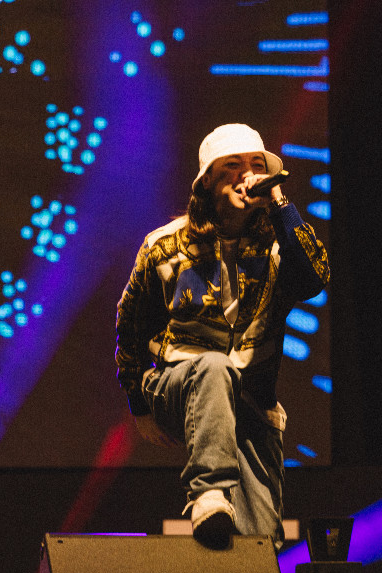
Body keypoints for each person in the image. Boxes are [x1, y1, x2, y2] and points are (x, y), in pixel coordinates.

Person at [115, 123, 329, 546]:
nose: (247, 174)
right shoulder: (164, 247)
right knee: (213, 367)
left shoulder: (277, 248)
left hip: (251, 403)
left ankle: (245, 544)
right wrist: (139, 405)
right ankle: (209, 493)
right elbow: (130, 323)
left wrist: (279, 201)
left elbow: (314, 277)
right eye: (232, 165)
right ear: (207, 180)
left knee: (261, 540)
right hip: (178, 385)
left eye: (256, 165)